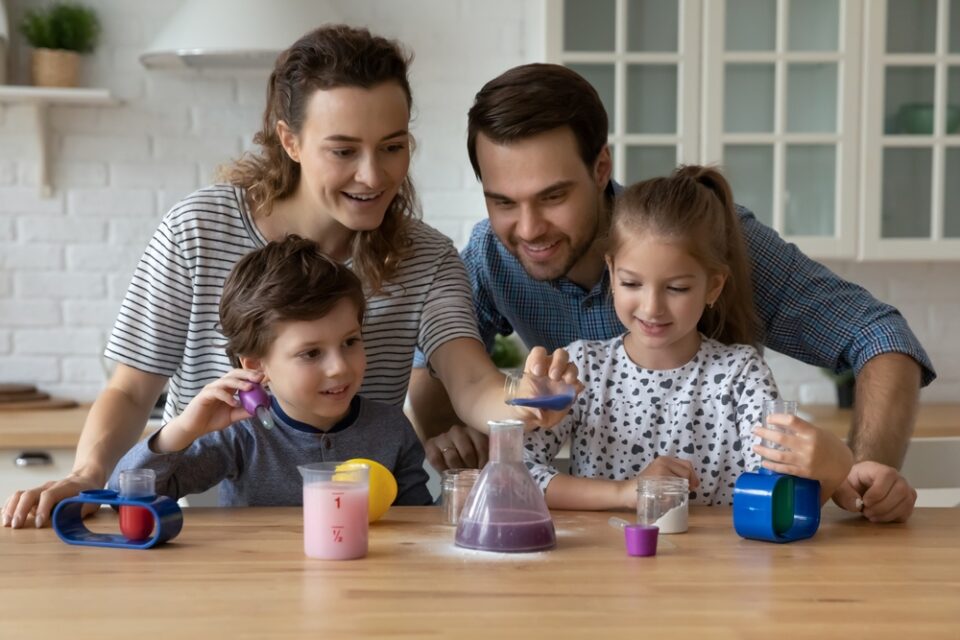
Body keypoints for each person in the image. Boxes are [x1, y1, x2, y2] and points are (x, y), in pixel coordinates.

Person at [3, 27, 576, 529]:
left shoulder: (425, 258)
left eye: (393, 147)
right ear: (290, 140)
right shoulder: (198, 229)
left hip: (359, 534)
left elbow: (471, 383)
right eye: (343, 150)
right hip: (208, 528)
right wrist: (86, 474)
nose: (373, 175)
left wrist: (523, 402)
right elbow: (131, 389)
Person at [409, 63, 932, 523]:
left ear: (601, 168)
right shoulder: (490, 256)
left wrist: (863, 483)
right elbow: (439, 362)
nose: (528, 229)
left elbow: (879, 336)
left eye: (553, 196)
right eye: (503, 202)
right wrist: (450, 435)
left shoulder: (709, 239)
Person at [525, 166, 862, 512]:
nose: (652, 307)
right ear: (611, 272)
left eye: (677, 288)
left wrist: (835, 463)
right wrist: (627, 493)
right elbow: (517, 475)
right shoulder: (584, 369)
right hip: (608, 565)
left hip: (716, 565)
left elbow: (780, 500)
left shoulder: (740, 376)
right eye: (631, 283)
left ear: (713, 286)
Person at [107, 236, 433, 506]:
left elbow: (417, 526)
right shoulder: (242, 434)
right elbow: (125, 497)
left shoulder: (391, 429)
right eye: (311, 353)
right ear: (256, 366)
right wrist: (182, 430)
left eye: (350, 342)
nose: (339, 367)